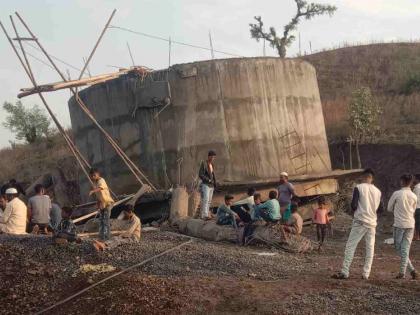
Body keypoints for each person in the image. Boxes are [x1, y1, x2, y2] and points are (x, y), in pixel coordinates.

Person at [333, 169, 383, 280]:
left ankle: (345, 271)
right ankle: (366, 274)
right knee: (370, 248)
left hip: (360, 221)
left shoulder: (359, 188)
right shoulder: (378, 191)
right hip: (372, 223)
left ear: (363, 177)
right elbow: (381, 209)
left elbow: (354, 205)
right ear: (372, 178)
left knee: (350, 246)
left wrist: (357, 211)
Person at [387, 174, 418, 280]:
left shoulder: (397, 193)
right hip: (410, 224)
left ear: (402, 181)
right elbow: (413, 210)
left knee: (399, 247)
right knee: (405, 249)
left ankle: (404, 272)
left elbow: (389, 208)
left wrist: (398, 208)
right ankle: (410, 271)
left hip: (399, 224)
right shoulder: (414, 196)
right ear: (411, 182)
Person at [89, 168, 115, 241]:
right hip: (102, 204)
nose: (93, 177)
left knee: (106, 220)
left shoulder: (101, 180)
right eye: (92, 176)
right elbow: (98, 196)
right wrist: (98, 204)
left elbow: (101, 188)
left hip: (108, 203)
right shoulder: (94, 183)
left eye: (94, 175)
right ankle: (101, 237)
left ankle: (107, 237)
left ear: (98, 175)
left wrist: (92, 191)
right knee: (101, 221)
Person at [199, 150, 217, 220]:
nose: (213, 158)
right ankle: (204, 215)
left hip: (211, 185)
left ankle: (206, 214)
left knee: (209, 200)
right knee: (205, 199)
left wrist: (215, 183)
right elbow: (200, 174)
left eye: (214, 157)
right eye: (212, 157)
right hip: (206, 184)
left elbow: (213, 174)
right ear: (209, 156)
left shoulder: (212, 164)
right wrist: (208, 180)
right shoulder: (204, 163)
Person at [412, 174, 420, 241]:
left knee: (417, 222)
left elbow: (415, 199)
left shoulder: (417, 188)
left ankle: (417, 236)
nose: (413, 180)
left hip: (417, 207)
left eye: (415, 178)